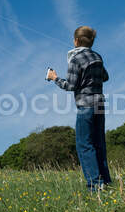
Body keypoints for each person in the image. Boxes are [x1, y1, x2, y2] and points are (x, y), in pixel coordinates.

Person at [47, 26, 112, 191]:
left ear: (76, 41)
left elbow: (69, 85)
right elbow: (105, 76)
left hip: (86, 106)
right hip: (100, 105)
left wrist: (54, 78)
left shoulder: (75, 59)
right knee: (99, 144)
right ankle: (106, 182)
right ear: (91, 41)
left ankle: (95, 186)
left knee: (84, 144)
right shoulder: (97, 57)